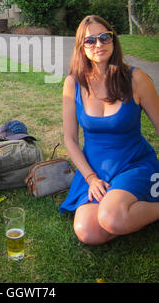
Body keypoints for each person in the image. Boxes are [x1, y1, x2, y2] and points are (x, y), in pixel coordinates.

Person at [59, 15, 159, 245]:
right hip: (95, 171)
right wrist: (90, 177)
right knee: (87, 231)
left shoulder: (136, 79)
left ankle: (136, 209)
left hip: (134, 164)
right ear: (81, 47)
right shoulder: (73, 84)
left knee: (111, 218)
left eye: (105, 37)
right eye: (90, 40)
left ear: (113, 41)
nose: (99, 44)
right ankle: (124, 212)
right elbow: (70, 140)